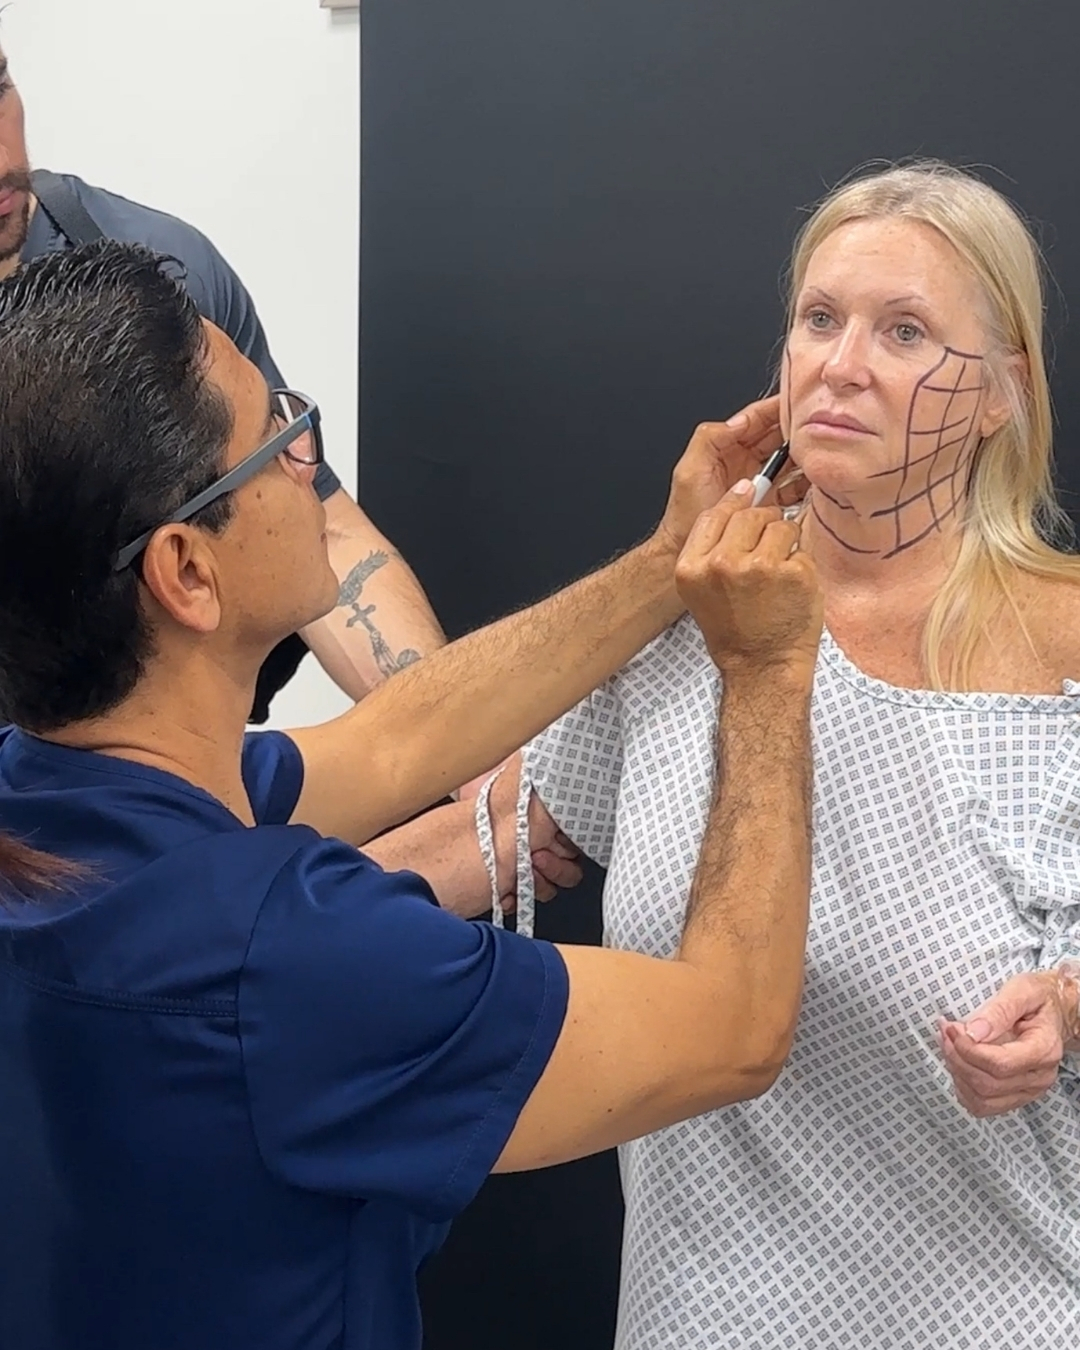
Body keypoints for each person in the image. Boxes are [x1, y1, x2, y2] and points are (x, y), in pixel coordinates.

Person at [0, 242, 822, 1350]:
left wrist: (665, 560)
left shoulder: (50, 793)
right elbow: (735, 1030)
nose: (310, 468)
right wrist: (767, 676)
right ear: (187, 571)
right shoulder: (290, 959)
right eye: (279, 439)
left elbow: (394, 744)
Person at [487, 162, 1080, 1347]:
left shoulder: (1066, 645)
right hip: (700, 1314)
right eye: (819, 319)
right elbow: (506, 840)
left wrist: (1070, 1003)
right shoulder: (693, 604)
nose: (840, 364)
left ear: (1001, 392)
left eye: (903, 331)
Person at [0, 36, 443, 720]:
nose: (3, 161)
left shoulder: (160, 281)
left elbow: (315, 523)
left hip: (163, 786)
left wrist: (466, 761)